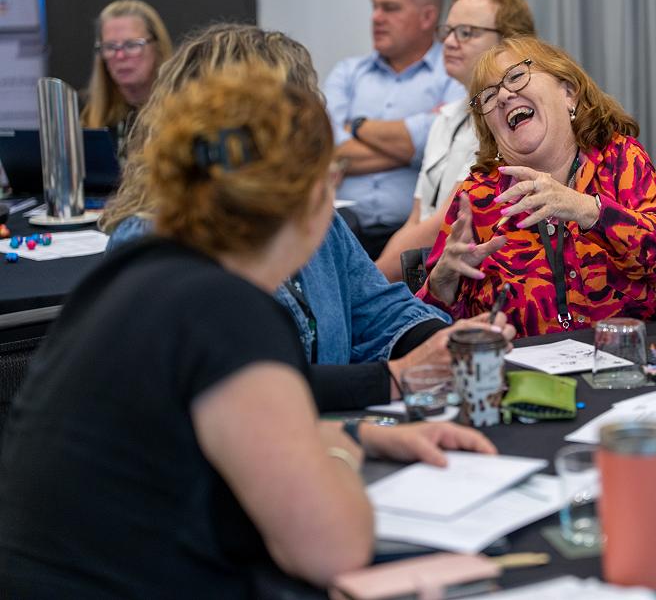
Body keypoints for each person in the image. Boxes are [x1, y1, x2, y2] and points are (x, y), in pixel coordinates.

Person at [0, 64, 496, 596]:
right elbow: (332, 548)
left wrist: (361, 435)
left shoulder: (137, 272)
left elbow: (208, 436)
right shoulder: (228, 311)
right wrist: (340, 453)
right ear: (317, 194)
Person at [100, 23, 514, 411]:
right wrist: (398, 376)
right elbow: (244, 391)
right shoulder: (156, 244)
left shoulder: (304, 214)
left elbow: (378, 309)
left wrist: (446, 343)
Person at [418, 37, 656, 337]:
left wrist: (587, 210)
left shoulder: (619, 159)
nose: (504, 96)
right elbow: (425, 332)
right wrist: (442, 285)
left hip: (619, 358)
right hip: (517, 364)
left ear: (569, 94)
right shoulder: (477, 197)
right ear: (491, 133)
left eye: (516, 76)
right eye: (489, 96)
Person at [375, 0, 536, 282]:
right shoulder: (446, 118)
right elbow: (417, 218)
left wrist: (373, 282)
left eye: (466, 32)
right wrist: (374, 280)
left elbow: (446, 222)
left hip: (475, 276)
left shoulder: (512, 121)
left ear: (509, 42)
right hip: (423, 271)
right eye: (447, 31)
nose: (449, 42)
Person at [323, 0, 465, 259]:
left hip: (420, 234)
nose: (376, 17)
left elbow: (447, 145)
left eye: (390, 8)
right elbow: (327, 149)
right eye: (374, 7)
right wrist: (411, 150)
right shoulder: (347, 73)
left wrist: (356, 127)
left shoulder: (454, 74)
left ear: (427, 17)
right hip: (340, 231)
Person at [80, 0, 173, 156]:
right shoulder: (85, 116)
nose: (120, 56)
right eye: (110, 47)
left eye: (132, 45)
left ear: (157, 47)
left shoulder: (183, 112)